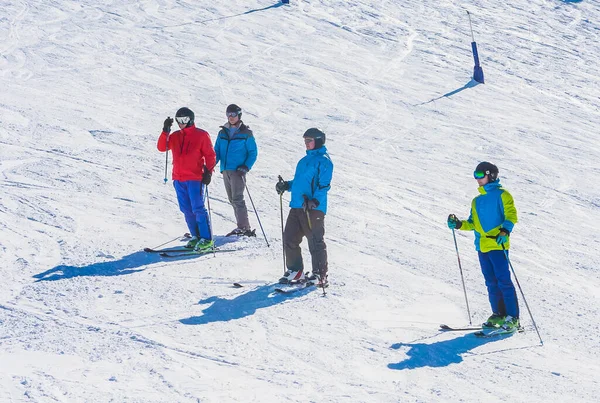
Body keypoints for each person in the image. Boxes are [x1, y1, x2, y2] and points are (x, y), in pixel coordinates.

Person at [447, 161, 520, 332]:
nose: (477, 179)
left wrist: (505, 231)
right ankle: (498, 314)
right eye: (475, 175)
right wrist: (458, 224)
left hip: (497, 244)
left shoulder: (503, 195)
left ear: (491, 175)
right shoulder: (477, 200)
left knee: (504, 281)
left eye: (480, 175)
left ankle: (513, 317)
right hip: (482, 246)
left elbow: (511, 216)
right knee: (491, 282)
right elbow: (472, 223)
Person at [276, 128, 333, 288]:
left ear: (319, 141)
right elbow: (299, 183)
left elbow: (324, 186)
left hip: (313, 208)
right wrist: (287, 185)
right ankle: (295, 270)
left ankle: (320, 274)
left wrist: (315, 201)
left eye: (309, 140)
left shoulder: (324, 161)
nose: (306, 143)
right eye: (305, 140)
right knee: (290, 238)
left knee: (315, 241)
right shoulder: (303, 161)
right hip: (297, 205)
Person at [157, 107, 216, 252]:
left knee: (197, 208)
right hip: (178, 178)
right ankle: (196, 236)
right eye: (178, 121)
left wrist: (208, 172)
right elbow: (161, 147)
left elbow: (210, 155)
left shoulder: (201, 135)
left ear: (191, 119)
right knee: (186, 209)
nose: (181, 123)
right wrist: (165, 131)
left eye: (184, 120)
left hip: (195, 177)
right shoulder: (176, 136)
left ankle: (206, 239)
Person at [214, 104, 258, 237]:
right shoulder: (222, 132)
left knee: (237, 198)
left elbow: (253, 152)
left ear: (239, 115)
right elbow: (216, 151)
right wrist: (209, 165)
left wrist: (246, 166)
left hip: (238, 171)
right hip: (226, 170)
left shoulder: (246, 133)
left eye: (233, 114)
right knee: (232, 199)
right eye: (228, 114)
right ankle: (242, 226)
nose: (231, 117)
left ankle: (244, 227)